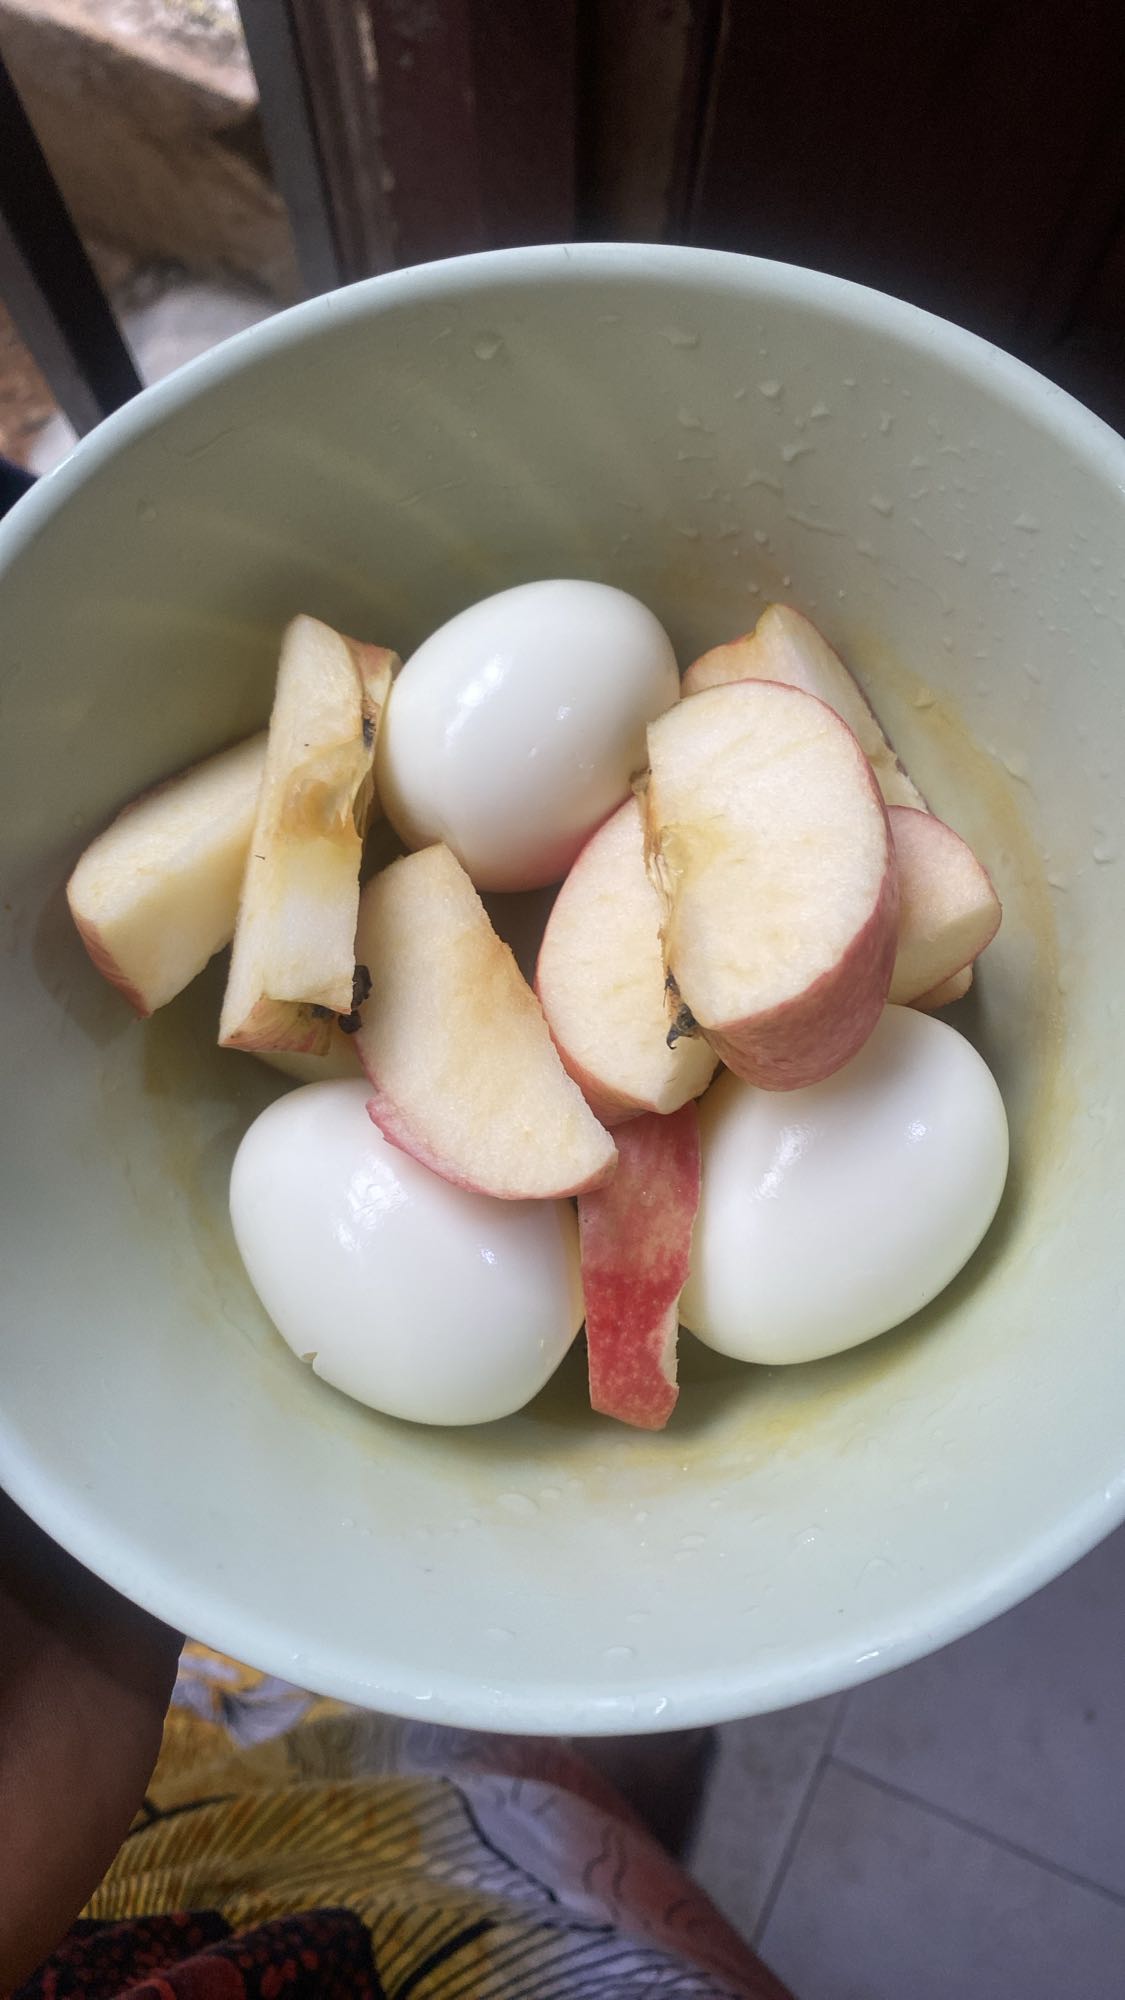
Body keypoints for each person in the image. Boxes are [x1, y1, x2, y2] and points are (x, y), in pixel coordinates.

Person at [0, 1490, 794, 1998]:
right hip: (415, 1937)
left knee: (524, 1769)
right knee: (573, 1803)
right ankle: (638, 1770)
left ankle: (625, 1782)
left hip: (149, 1830)